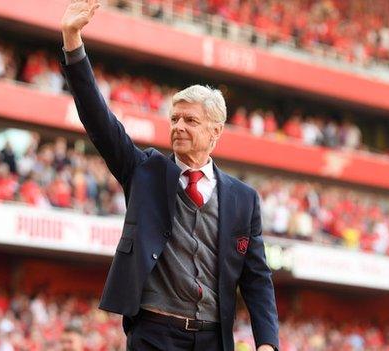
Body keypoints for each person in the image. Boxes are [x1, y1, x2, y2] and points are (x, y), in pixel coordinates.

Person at [59, 1, 279, 350]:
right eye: (175, 119)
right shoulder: (143, 170)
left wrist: (267, 342)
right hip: (153, 334)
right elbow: (98, 120)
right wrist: (73, 41)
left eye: (190, 121)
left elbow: (257, 279)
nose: (178, 126)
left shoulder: (243, 198)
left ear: (215, 132)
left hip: (212, 338)